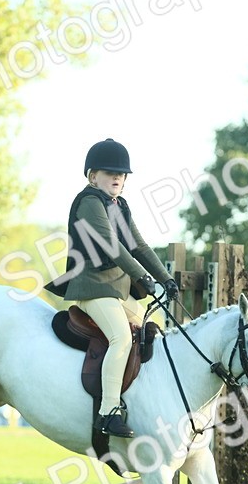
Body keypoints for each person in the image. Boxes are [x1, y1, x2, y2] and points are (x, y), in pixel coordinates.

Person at [45, 138, 177, 439]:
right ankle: (107, 412)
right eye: (109, 172)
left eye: (122, 174)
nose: (118, 177)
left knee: (149, 329)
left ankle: (141, 398)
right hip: (91, 287)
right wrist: (144, 279)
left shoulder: (120, 205)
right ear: (93, 176)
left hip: (116, 290)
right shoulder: (89, 202)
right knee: (121, 337)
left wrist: (165, 277)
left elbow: (138, 245)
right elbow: (112, 246)